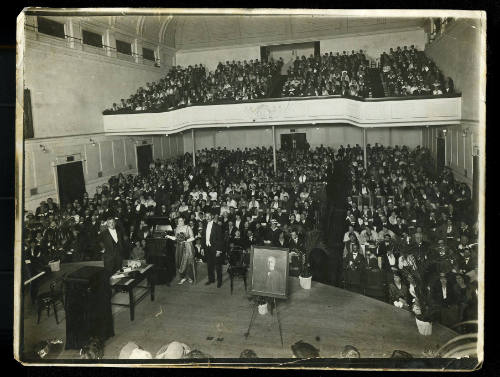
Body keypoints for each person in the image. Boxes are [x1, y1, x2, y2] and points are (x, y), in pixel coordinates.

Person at [167, 217, 195, 284]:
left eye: (181, 220)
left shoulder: (188, 227)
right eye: (179, 221)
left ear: (184, 220)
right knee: (180, 262)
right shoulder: (177, 228)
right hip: (179, 247)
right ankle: (183, 277)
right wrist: (168, 236)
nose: (180, 222)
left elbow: (193, 237)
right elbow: (175, 238)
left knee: (187, 262)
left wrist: (185, 240)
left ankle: (190, 277)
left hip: (187, 247)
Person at [202, 212, 225, 287]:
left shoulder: (217, 226)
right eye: (206, 216)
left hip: (215, 249)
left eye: (209, 216)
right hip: (207, 248)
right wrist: (202, 248)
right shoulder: (205, 226)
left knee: (218, 266)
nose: (207, 217)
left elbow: (220, 239)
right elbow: (203, 238)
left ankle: (219, 281)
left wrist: (219, 250)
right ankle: (211, 279)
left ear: (212, 216)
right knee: (209, 265)